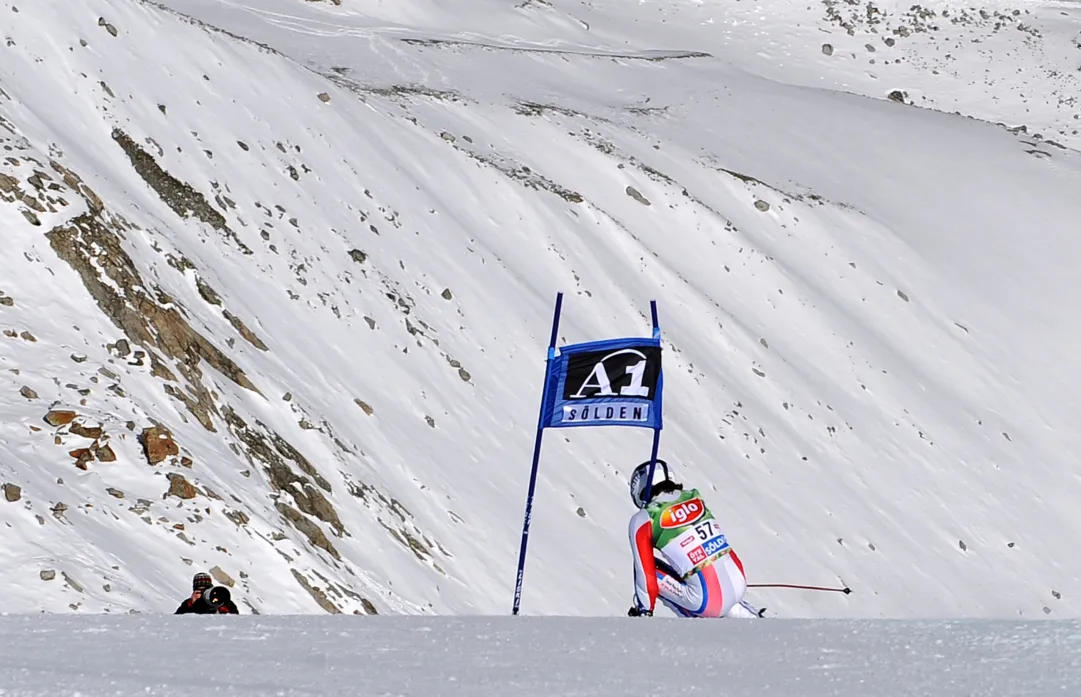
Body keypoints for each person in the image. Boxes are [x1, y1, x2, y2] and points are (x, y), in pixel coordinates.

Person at [626, 459, 763, 618]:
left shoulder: (644, 519)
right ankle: (753, 619)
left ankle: (699, 624)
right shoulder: (693, 496)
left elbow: (646, 575)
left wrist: (644, 611)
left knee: (648, 568)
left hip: (707, 601)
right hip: (738, 580)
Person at [174, 572, 240, 614]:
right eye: (200, 590)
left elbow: (234, 618)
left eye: (206, 589)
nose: (203, 593)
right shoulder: (188, 604)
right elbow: (178, 622)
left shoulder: (220, 599)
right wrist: (194, 605)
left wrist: (217, 605)